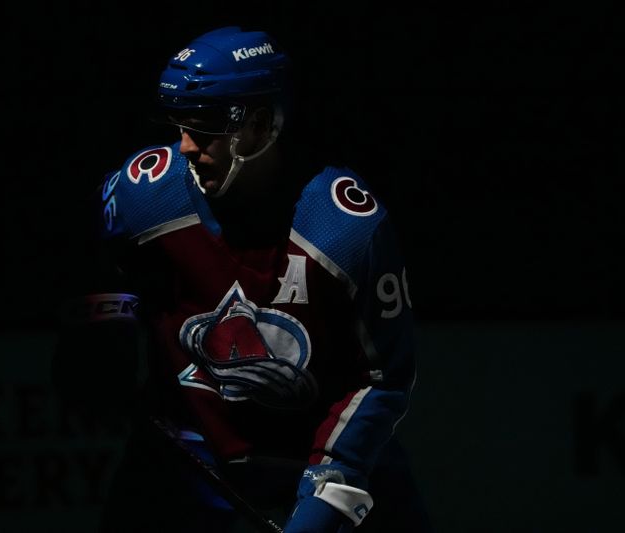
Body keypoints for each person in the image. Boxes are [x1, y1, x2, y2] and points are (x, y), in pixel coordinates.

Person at [53, 26, 432, 532]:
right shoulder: (147, 193)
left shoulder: (346, 230)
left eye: (205, 126)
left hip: (325, 453)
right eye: (179, 125)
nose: (184, 146)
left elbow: (384, 376)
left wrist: (333, 487)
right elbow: (89, 246)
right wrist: (101, 319)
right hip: (189, 451)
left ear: (259, 125)